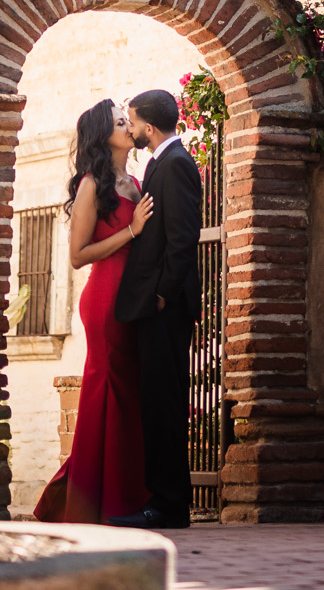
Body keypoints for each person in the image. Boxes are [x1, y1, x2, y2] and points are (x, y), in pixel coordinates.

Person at [32, 98, 153, 523]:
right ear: (105, 135)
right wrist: (132, 230)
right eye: (121, 123)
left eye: (128, 121)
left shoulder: (135, 185)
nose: (129, 127)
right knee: (106, 394)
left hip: (134, 299)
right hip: (103, 299)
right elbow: (78, 256)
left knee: (129, 395)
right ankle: (89, 503)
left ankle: (124, 497)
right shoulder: (90, 184)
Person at [106, 88, 202, 530]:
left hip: (165, 306)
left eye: (132, 120)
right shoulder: (161, 163)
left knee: (164, 405)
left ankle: (168, 505)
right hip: (154, 305)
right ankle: (163, 500)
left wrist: (163, 294)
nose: (131, 127)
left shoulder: (176, 164)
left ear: (148, 125)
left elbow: (183, 240)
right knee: (156, 403)